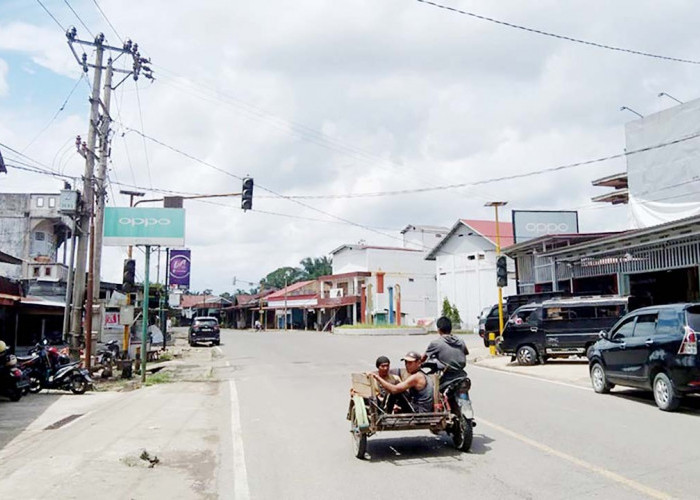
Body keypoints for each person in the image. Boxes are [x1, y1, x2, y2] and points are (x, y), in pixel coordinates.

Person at [422, 316, 468, 389]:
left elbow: (422, 359)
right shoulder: (460, 341)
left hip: (448, 377)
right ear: (451, 328)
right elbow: (465, 352)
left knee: (430, 388)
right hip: (462, 375)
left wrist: (418, 364)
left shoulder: (436, 343)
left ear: (439, 329)